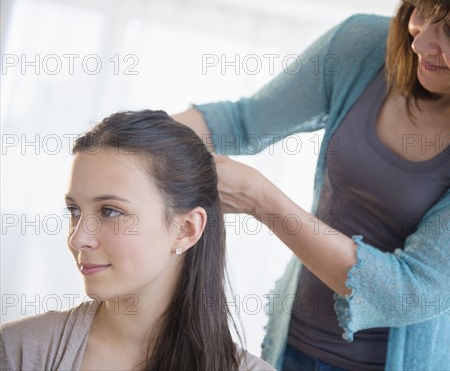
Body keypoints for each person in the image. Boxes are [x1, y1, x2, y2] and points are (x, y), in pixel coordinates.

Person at [172, 0, 450, 369]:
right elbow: (242, 122)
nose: (419, 40)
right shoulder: (360, 47)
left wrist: (264, 202)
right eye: (421, 8)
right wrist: (124, 139)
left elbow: (411, 291)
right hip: (291, 347)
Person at [0, 110, 274, 370]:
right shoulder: (17, 352)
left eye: (110, 211)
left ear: (186, 229)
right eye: (74, 210)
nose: (78, 238)